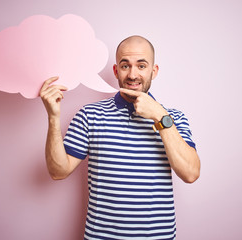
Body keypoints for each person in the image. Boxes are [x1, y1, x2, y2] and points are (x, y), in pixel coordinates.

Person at [40, 35, 200, 240]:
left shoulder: (173, 118)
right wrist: (53, 117)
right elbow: (58, 172)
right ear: (116, 70)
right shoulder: (90, 115)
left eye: (141, 66)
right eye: (125, 66)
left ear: (154, 71)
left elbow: (190, 174)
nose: (133, 74)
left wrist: (160, 117)